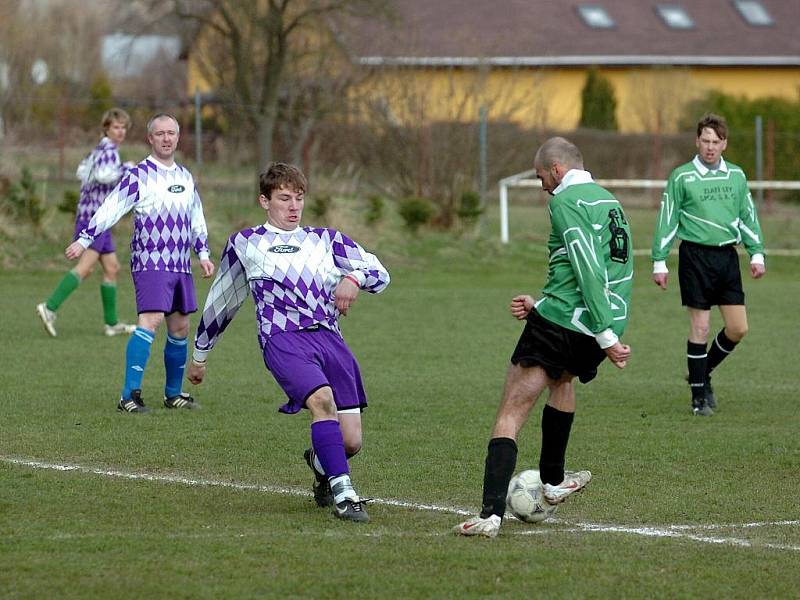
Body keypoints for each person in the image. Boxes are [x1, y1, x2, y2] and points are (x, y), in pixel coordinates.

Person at [186, 162, 390, 523]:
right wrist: (200, 356)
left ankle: (320, 460)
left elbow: (380, 273)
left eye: (298, 198)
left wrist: (354, 279)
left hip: (329, 338)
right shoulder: (245, 244)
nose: (293, 206)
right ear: (264, 201)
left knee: (351, 441)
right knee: (321, 402)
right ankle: (345, 494)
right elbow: (222, 302)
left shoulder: (326, 239)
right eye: (284, 198)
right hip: (282, 340)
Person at [454, 137, 633, 538]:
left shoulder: (565, 201)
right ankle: (552, 481)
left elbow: (587, 265)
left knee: (510, 414)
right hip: (590, 324)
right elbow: (610, 271)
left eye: (540, 178)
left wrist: (604, 335)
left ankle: (490, 515)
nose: (542, 188)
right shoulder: (611, 203)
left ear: (556, 169)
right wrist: (599, 327)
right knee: (563, 381)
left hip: (570, 324)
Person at [65, 113, 215, 413]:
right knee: (151, 320)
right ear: (150, 138)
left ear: (178, 136)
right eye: (160, 133)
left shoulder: (185, 177)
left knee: (181, 326)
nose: (166, 138)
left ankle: (173, 394)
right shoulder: (138, 175)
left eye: (171, 132)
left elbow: (195, 217)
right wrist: (85, 238)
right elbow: (111, 207)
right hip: (150, 259)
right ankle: (128, 396)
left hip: (179, 263)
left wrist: (203, 253)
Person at [651, 113, 765, 417]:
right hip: (695, 258)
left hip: (727, 258)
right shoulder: (682, 176)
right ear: (697, 141)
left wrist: (756, 253)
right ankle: (698, 398)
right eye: (705, 141)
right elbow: (668, 219)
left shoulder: (737, 176)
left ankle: (702, 373)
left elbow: (748, 215)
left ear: (724, 144)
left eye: (716, 142)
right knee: (700, 327)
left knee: (738, 328)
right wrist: (659, 261)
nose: (710, 147)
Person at [37, 108, 137, 337]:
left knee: (112, 268)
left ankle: (111, 324)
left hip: (97, 217)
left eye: (123, 127)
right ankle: (49, 307)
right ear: (106, 128)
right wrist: (126, 168)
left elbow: (81, 171)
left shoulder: (98, 150)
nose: (120, 132)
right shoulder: (110, 151)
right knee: (86, 267)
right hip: (96, 219)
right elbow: (103, 175)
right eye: (116, 127)